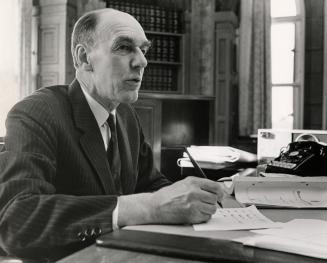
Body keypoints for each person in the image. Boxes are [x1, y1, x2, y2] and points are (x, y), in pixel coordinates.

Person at [0, 8, 223, 260]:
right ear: (84, 58)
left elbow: (150, 184)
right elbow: (17, 221)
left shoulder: (126, 116)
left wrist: (194, 194)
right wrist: (147, 207)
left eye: (143, 49)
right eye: (124, 47)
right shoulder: (38, 112)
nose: (142, 61)